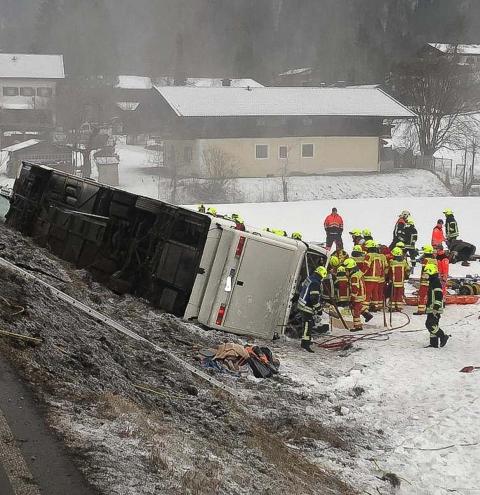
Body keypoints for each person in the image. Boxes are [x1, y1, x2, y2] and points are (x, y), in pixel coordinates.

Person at [297, 266, 327, 352]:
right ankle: (305, 344)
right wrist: (319, 309)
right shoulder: (315, 283)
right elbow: (314, 298)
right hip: (306, 307)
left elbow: (301, 288)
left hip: (302, 303)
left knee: (309, 323)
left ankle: (306, 341)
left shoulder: (309, 278)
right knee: (308, 324)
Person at [424, 263, 449, 348]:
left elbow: (439, 295)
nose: (425, 275)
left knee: (429, 324)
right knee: (434, 325)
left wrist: (435, 308)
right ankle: (434, 343)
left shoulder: (435, 282)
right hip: (431, 307)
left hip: (434, 308)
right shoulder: (433, 281)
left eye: (426, 273)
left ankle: (443, 336)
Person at [343, 258, 373, 331]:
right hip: (362, 294)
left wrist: (352, 298)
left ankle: (358, 326)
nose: (346, 271)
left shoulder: (354, 276)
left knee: (355, 311)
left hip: (357, 295)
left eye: (347, 269)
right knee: (359, 306)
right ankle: (367, 315)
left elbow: (355, 288)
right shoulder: (359, 272)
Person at [414, 245, 437, 315]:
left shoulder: (425, 260)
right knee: (430, 295)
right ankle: (429, 309)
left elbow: (424, 270)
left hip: (425, 280)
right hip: (433, 280)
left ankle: (421, 310)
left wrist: (422, 279)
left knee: (422, 295)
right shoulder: (434, 260)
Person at [362, 240, 384, 311]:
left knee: (367, 293)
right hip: (377, 278)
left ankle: (365, 308)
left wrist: (360, 274)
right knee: (375, 293)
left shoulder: (369, 255)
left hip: (369, 278)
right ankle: (375, 306)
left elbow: (366, 266)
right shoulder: (379, 256)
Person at [387, 247, 409, 311]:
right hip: (401, 281)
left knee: (393, 294)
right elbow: (407, 269)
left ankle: (392, 307)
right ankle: (398, 307)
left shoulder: (392, 262)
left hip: (393, 281)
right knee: (399, 294)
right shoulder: (404, 262)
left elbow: (388, 271)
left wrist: (387, 278)